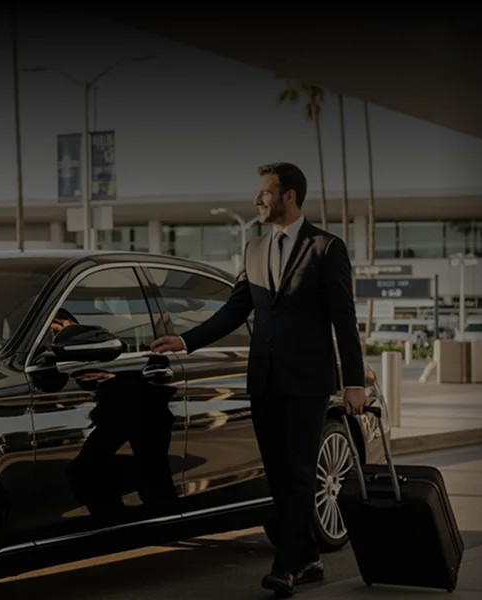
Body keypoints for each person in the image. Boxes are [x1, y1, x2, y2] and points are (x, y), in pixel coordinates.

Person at [149, 162, 367, 598]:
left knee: (301, 473)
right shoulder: (253, 249)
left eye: (265, 193)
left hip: (307, 382)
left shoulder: (326, 248)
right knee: (279, 475)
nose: (256, 200)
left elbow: (344, 319)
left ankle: (285, 566)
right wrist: (186, 341)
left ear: (289, 196)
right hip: (264, 381)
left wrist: (354, 382)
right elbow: (234, 310)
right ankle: (307, 557)